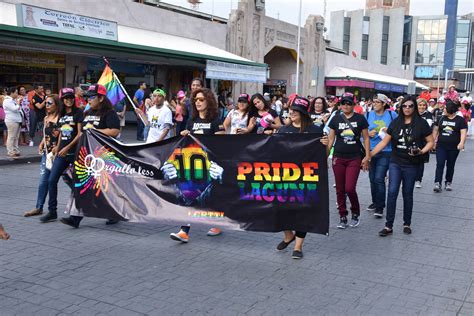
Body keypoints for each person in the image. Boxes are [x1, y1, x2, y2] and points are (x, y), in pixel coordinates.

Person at [371, 95, 434, 237]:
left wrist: (421, 151)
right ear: (400, 107)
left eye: (410, 106)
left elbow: (431, 142)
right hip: (395, 162)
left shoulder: (421, 123)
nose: (407, 108)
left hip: (411, 164)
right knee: (392, 192)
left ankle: (407, 223)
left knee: (407, 193)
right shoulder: (395, 122)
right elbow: (383, 142)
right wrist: (369, 156)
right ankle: (388, 226)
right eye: (404, 106)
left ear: (415, 108)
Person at [60, 84, 121, 228]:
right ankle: (75, 217)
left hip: (102, 156)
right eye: (87, 97)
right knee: (80, 185)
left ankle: (113, 213)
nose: (88, 100)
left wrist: (95, 131)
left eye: (92, 97)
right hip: (85, 155)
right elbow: (82, 132)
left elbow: (114, 131)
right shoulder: (86, 113)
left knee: (104, 187)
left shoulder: (109, 113)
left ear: (101, 98)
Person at [276, 96, 328, 259]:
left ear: (304, 113)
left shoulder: (315, 130)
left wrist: (326, 146)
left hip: (307, 176)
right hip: (285, 175)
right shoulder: (284, 130)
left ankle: (298, 246)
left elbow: (323, 156)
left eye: (295, 111)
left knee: (302, 211)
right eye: (290, 110)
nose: (291, 113)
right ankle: (288, 235)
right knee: (279, 208)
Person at [170, 87, 225, 243]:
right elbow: (185, 139)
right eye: (196, 100)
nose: (198, 102)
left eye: (201, 99)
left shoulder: (215, 120)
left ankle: (217, 222)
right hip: (193, 164)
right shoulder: (192, 120)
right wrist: (184, 134)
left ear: (209, 101)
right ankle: (184, 231)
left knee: (211, 195)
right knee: (189, 195)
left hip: (210, 164)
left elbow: (222, 140)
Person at [39, 88, 84, 223]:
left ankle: (85, 207)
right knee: (51, 180)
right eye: (65, 98)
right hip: (62, 154)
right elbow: (61, 134)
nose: (68, 100)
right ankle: (52, 211)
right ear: (62, 100)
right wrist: (58, 148)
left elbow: (80, 133)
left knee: (77, 185)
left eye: (70, 97)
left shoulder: (78, 112)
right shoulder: (62, 114)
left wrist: (68, 147)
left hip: (75, 153)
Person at [327, 94, 370, 229]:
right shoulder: (335, 119)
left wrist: (367, 157)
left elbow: (366, 138)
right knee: (340, 189)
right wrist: (325, 156)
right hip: (338, 157)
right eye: (343, 103)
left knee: (349, 188)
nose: (346, 106)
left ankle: (355, 212)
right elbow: (330, 139)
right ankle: (342, 215)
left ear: (353, 105)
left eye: (349, 103)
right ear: (340, 105)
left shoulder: (360, 118)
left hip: (354, 157)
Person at [24, 94, 61, 218]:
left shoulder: (61, 119)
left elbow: (63, 135)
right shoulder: (46, 118)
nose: (47, 105)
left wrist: (59, 147)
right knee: (43, 181)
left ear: (57, 104)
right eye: (46, 103)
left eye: (50, 103)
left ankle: (82, 203)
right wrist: (41, 144)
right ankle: (39, 207)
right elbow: (46, 134)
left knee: (70, 180)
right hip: (48, 154)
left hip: (60, 154)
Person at [366, 94, 397, 218]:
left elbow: (398, 129)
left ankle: (380, 206)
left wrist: (388, 131)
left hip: (386, 150)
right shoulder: (368, 114)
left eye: (377, 102)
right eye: (373, 102)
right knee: (372, 178)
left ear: (384, 103)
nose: (374, 104)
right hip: (371, 149)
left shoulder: (391, 115)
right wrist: (368, 133)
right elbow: (362, 132)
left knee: (379, 178)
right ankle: (375, 202)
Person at [432, 100, 467, 192]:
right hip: (441, 146)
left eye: (445, 108)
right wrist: (432, 142)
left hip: (454, 147)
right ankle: (437, 183)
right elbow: (435, 130)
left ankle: (448, 182)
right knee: (440, 164)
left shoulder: (460, 120)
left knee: (450, 165)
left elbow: (463, 132)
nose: (443, 109)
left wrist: (461, 143)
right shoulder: (440, 118)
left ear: (450, 109)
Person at [414, 98, 434, 188]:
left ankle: (418, 180)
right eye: (420, 105)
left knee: (420, 161)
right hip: (412, 139)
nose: (422, 107)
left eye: (423, 105)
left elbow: (428, 125)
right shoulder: (412, 113)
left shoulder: (428, 115)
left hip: (423, 141)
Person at [3, 87, 23, 158]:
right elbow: (14, 109)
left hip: (16, 120)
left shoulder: (12, 100)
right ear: (12, 93)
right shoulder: (7, 100)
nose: (17, 94)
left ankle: (15, 150)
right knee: (11, 136)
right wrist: (18, 103)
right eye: (16, 92)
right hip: (12, 120)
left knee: (16, 137)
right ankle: (10, 151)